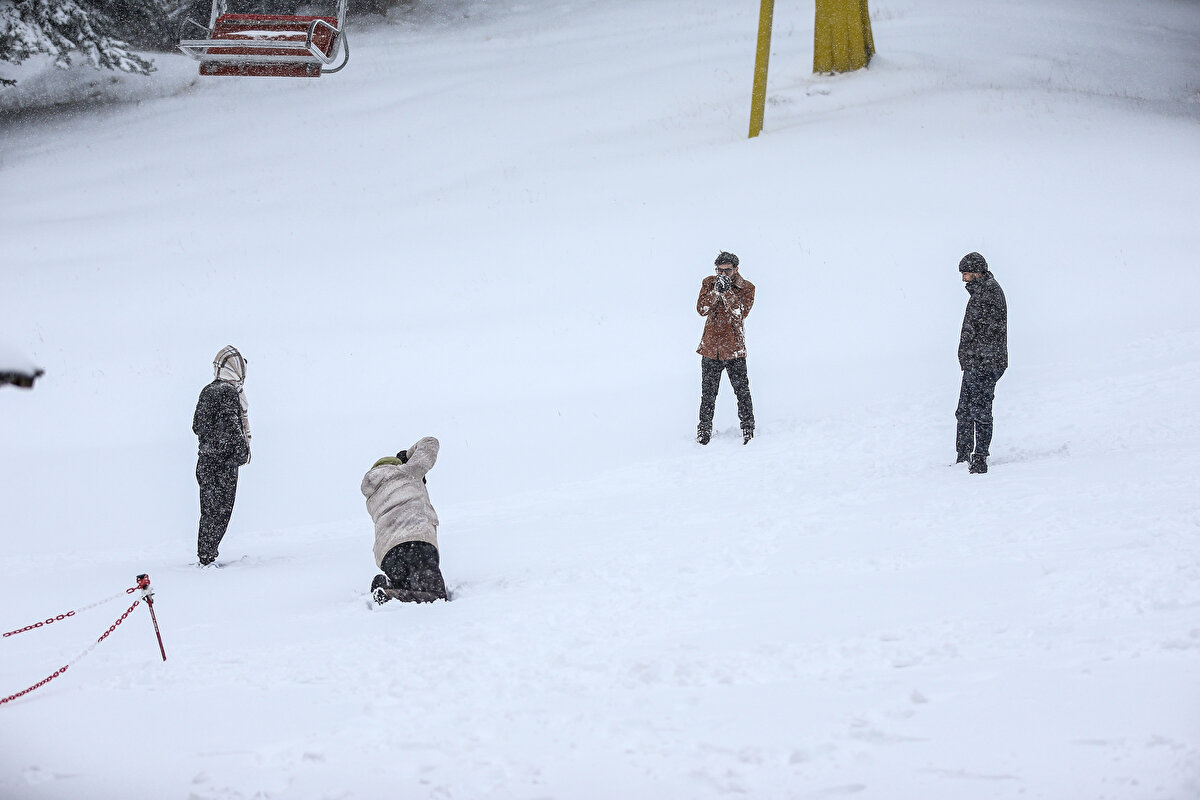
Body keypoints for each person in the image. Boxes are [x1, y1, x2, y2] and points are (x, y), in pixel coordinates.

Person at [362, 436, 448, 604]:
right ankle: (388, 595)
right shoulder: (407, 472)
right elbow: (430, 442)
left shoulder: (372, 497)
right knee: (436, 595)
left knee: (410, 590)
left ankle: (387, 587)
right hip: (416, 543)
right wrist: (408, 457)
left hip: (389, 554)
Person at [192, 346, 251, 565]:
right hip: (222, 463)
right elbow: (232, 425)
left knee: (208, 510)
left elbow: (198, 425)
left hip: (206, 461)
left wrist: (210, 443)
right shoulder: (228, 392)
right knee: (220, 511)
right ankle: (207, 556)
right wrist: (241, 451)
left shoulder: (209, 389)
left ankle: (205, 554)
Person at [696, 251, 756, 445]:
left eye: (727, 271)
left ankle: (748, 427)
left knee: (742, 391)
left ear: (736, 269)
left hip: (734, 350)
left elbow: (739, 313)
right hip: (711, 348)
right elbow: (702, 309)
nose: (723, 274)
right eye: (719, 270)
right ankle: (704, 430)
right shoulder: (709, 283)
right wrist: (715, 292)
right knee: (708, 394)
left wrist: (728, 292)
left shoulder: (747, 288)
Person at [955, 252, 1008, 474]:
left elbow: (988, 332)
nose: (963, 278)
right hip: (975, 361)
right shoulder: (980, 292)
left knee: (980, 410)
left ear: (977, 272)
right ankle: (963, 456)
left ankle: (979, 457)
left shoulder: (989, 293)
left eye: (966, 273)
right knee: (964, 410)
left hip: (986, 362)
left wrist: (975, 357)